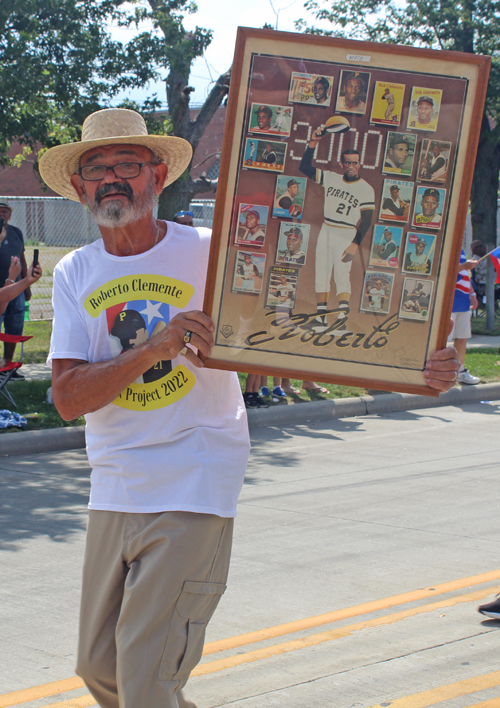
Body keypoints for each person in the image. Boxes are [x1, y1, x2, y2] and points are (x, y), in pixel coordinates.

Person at [38, 107, 251, 708]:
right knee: (100, 669)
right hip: (116, 484)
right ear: (79, 190)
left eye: (126, 164)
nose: (111, 178)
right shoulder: (77, 270)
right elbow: (67, 398)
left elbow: (280, 342)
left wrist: (415, 365)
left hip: (194, 477)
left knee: (145, 678)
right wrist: (153, 349)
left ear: (158, 178)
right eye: (96, 169)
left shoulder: (210, 253)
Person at [300, 130, 375, 333]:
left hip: (346, 232)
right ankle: (322, 319)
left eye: (355, 163)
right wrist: (313, 143)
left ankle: (342, 318)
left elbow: (367, 220)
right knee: (321, 274)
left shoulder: (366, 189)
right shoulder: (331, 178)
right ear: (342, 164)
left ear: (360, 165)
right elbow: (304, 167)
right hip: (327, 228)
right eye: (347, 163)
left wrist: (355, 243)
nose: (351, 166)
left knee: (342, 275)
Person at [0, 199, 31, 379]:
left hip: (16, 288)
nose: (2, 214)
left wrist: (26, 282)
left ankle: (8, 366)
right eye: (0, 211)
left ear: (10, 215)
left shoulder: (16, 232)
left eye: (5, 211)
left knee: (15, 327)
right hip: (1, 289)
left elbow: (22, 257)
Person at [450, 249, 480, 385]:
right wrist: (465, 266)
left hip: (463, 300)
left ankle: (460, 372)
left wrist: (472, 294)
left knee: (462, 338)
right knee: (441, 340)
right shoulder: (445, 245)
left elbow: (464, 274)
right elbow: (445, 270)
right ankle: (436, 373)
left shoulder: (460, 250)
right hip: (449, 301)